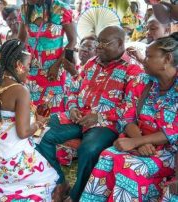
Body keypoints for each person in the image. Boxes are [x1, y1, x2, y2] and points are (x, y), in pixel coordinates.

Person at [36, 26, 145, 202]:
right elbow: (73, 90)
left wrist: (99, 116)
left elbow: (129, 109)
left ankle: (77, 195)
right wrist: (71, 108)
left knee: (89, 149)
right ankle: (60, 182)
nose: (99, 46)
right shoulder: (92, 63)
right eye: (98, 42)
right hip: (78, 117)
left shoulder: (133, 70)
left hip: (106, 124)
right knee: (39, 131)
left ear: (119, 43)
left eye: (104, 43)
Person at [81, 32, 178, 202]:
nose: (143, 60)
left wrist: (135, 142)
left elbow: (173, 132)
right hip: (140, 140)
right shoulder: (142, 80)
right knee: (107, 157)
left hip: (170, 152)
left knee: (131, 167)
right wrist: (139, 141)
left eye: (149, 56)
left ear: (167, 59)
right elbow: (127, 117)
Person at [0, 39, 58, 201]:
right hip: (13, 164)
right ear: (19, 64)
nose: (30, 71)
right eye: (29, 66)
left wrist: (38, 123)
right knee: (53, 179)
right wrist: (39, 122)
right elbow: (24, 132)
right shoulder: (20, 91)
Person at [18, 0, 77, 114]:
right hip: (32, 69)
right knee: (32, 111)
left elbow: (73, 41)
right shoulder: (25, 9)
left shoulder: (61, 9)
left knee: (52, 110)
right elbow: (20, 40)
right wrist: (23, 62)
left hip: (54, 70)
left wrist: (57, 65)